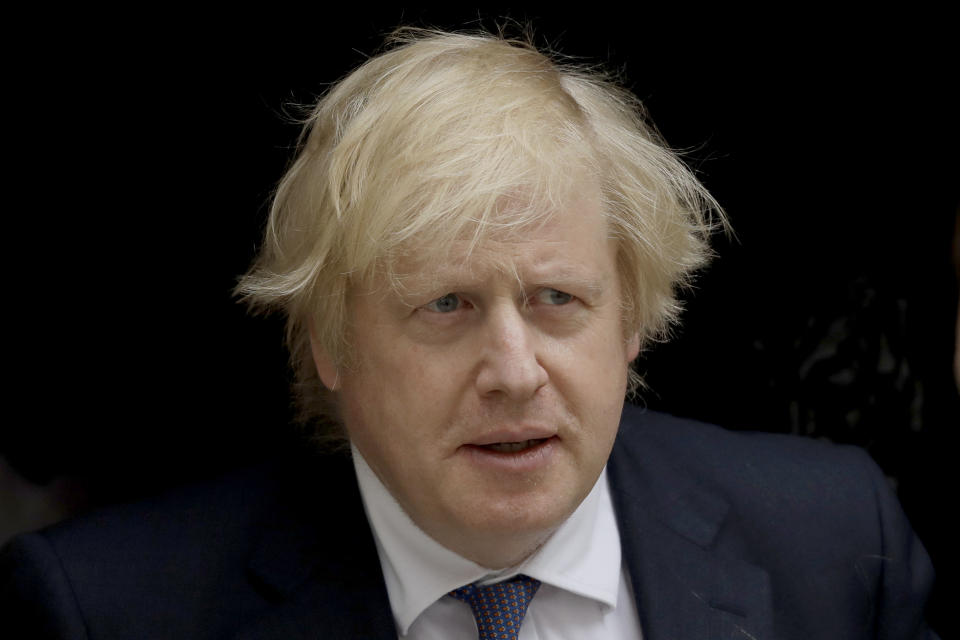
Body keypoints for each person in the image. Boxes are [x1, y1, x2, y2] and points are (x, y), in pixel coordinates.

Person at [0, 28, 938, 639]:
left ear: (633, 323)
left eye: (557, 300)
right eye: (445, 306)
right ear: (330, 344)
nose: (514, 371)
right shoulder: (104, 611)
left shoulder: (836, 545)